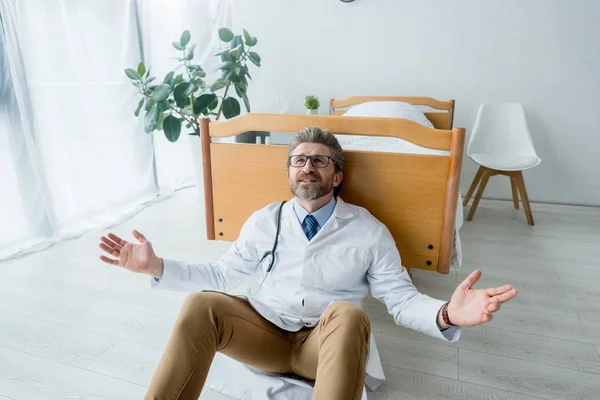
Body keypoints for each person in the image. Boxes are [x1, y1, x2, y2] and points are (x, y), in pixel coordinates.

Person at [99, 127, 518, 400]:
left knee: (349, 314)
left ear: (337, 176)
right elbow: (223, 275)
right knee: (200, 303)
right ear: (289, 175)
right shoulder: (265, 219)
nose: (307, 166)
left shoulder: (369, 230)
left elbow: (400, 299)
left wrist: (447, 313)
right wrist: (156, 267)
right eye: (298, 160)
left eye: (319, 160)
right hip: (264, 339)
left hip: (324, 348)